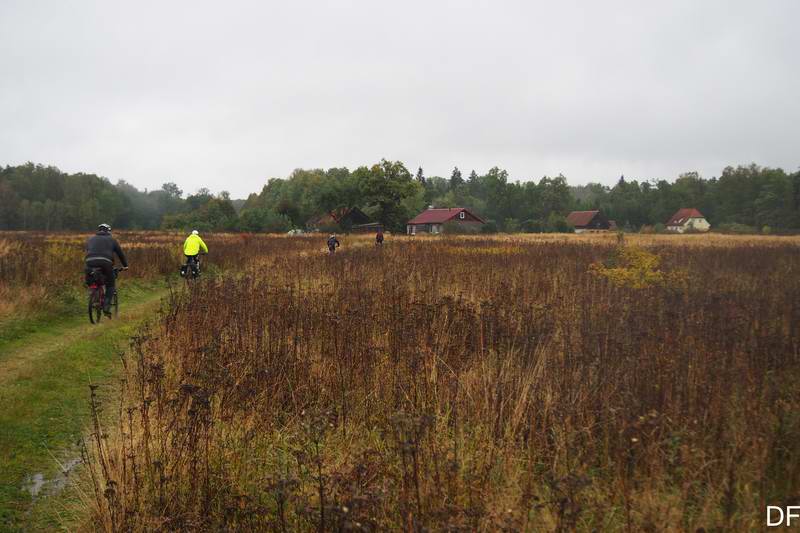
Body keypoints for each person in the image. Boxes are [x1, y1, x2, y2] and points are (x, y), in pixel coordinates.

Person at [85, 223, 128, 316]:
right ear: (108, 231)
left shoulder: (90, 239)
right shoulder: (112, 240)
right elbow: (120, 254)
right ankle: (106, 306)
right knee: (110, 284)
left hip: (89, 262)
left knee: (91, 280)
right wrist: (125, 265)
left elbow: (88, 250)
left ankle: (94, 295)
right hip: (106, 262)